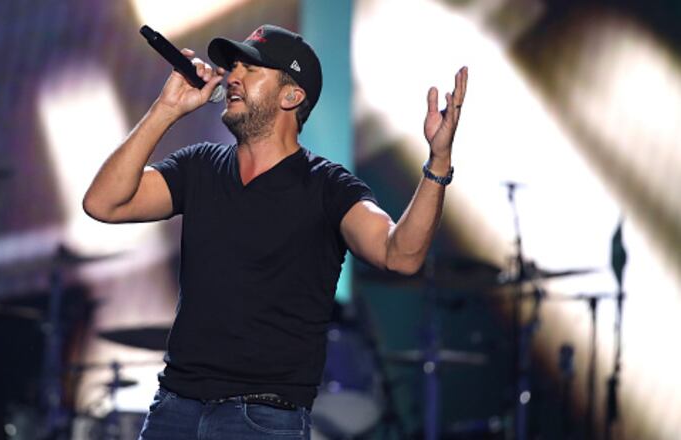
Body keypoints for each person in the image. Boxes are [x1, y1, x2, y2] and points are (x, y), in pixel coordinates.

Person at [83, 24, 467, 440]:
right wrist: (166, 109)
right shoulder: (200, 167)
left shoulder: (328, 187)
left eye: (250, 69)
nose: (232, 76)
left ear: (291, 96)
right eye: (233, 67)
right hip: (175, 409)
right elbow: (103, 203)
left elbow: (400, 255)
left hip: (263, 420)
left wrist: (438, 162)